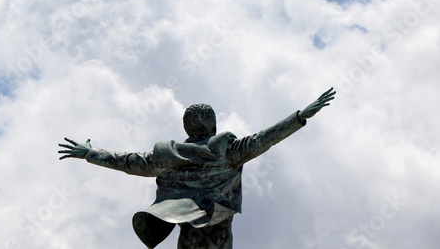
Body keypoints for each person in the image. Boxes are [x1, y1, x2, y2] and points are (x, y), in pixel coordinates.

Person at [58, 87, 336, 248]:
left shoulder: (167, 156)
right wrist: (299, 117)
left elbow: (129, 162)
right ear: (213, 126)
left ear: (186, 127)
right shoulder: (226, 151)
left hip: (187, 235)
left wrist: (90, 153)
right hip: (218, 232)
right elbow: (264, 139)